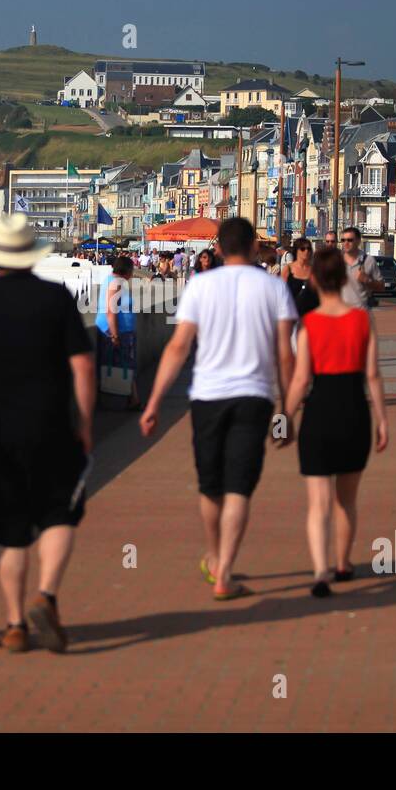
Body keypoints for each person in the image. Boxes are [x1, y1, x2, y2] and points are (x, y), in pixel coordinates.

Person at [0, 213, 96, 652]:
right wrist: (85, 423)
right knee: (59, 515)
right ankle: (45, 595)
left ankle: (13, 624)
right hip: (53, 429)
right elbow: (83, 365)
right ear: (32, 255)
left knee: (9, 529)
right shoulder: (56, 300)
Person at [139, 217, 297, 600]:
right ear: (255, 247)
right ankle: (224, 570)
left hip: (207, 397)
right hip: (254, 397)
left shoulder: (200, 285)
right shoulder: (275, 288)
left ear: (221, 249)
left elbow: (178, 346)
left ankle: (213, 555)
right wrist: (288, 411)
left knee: (211, 486)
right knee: (239, 487)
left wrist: (154, 402)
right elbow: (284, 354)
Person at [284, 248, 388, 597]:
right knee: (347, 500)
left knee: (318, 503)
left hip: (319, 413)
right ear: (343, 278)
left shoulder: (308, 325)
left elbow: (300, 381)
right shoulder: (362, 320)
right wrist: (382, 420)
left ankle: (319, 572)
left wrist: (283, 417)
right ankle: (343, 564)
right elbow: (372, 374)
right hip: (354, 412)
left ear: (313, 279)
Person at [96, 255, 140, 409]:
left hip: (119, 329)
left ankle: (133, 398)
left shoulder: (113, 281)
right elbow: (110, 311)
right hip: (116, 330)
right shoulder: (116, 283)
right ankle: (131, 399)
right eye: (132, 270)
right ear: (126, 270)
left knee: (122, 363)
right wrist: (114, 335)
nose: (133, 274)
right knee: (125, 363)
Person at [340, 227, 383, 308]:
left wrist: (367, 280)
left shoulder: (368, 260)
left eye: (350, 240)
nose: (346, 243)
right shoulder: (336, 260)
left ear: (358, 241)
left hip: (360, 312)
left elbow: (381, 287)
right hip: (340, 313)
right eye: (343, 240)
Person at [280, 237, 318, 318]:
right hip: (292, 314)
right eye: (302, 249)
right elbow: (281, 293)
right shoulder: (288, 269)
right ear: (296, 251)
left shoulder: (315, 270)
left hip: (311, 314)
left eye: (309, 249)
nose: (306, 251)